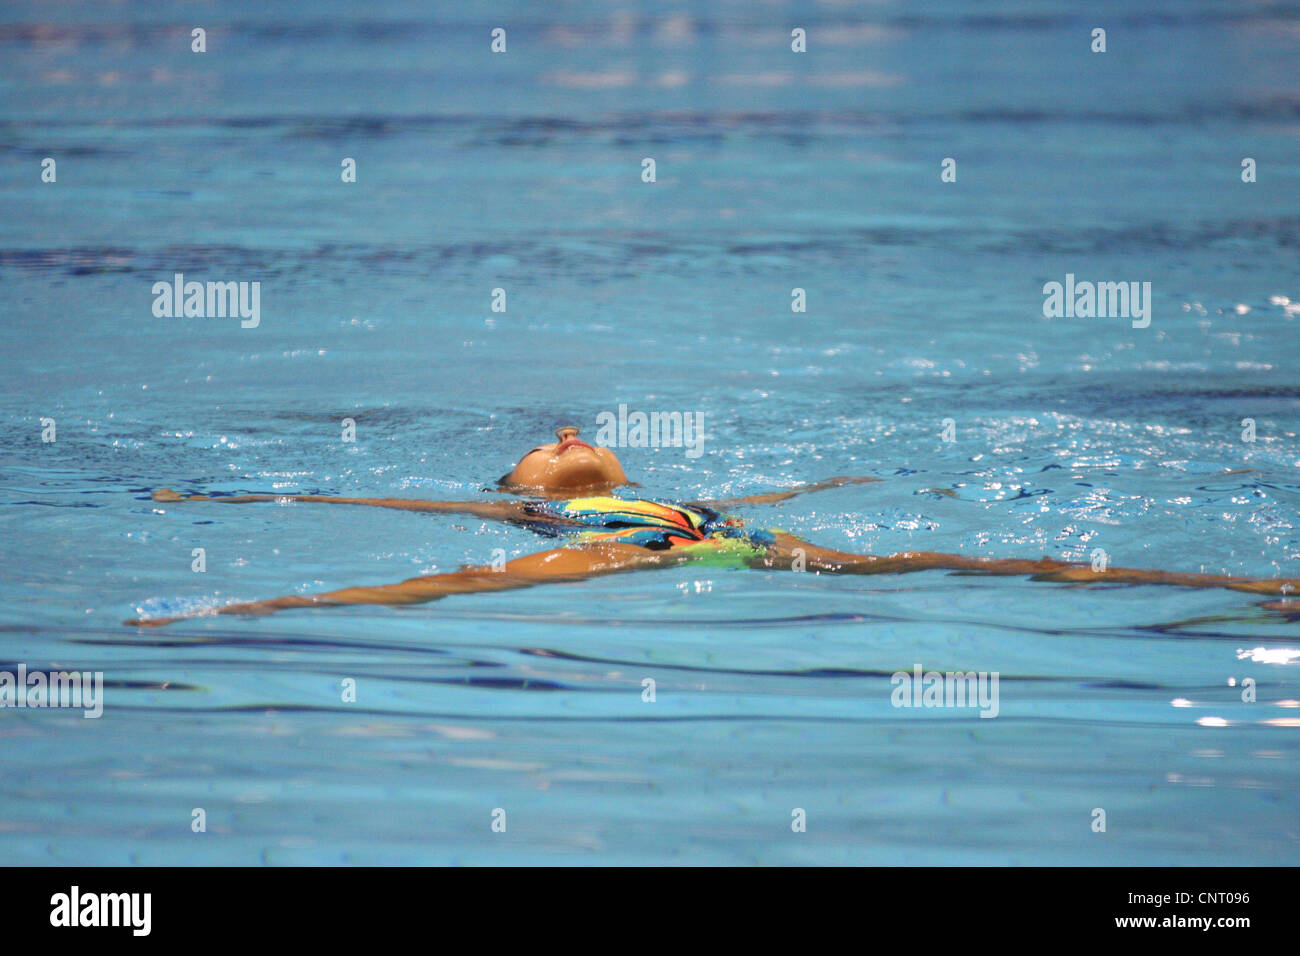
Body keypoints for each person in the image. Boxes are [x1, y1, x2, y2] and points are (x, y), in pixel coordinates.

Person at [126, 426, 1299, 627]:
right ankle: (249, 608)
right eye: (544, 437)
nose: (566, 428)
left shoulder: (678, 487)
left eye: (574, 429)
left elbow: (788, 498)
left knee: (965, 560)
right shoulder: (545, 509)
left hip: (721, 537)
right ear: (522, 479)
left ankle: (1252, 587)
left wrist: (830, 483)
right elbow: (374, 499)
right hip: (629, 552)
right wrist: (234, 502)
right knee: (462, 581)